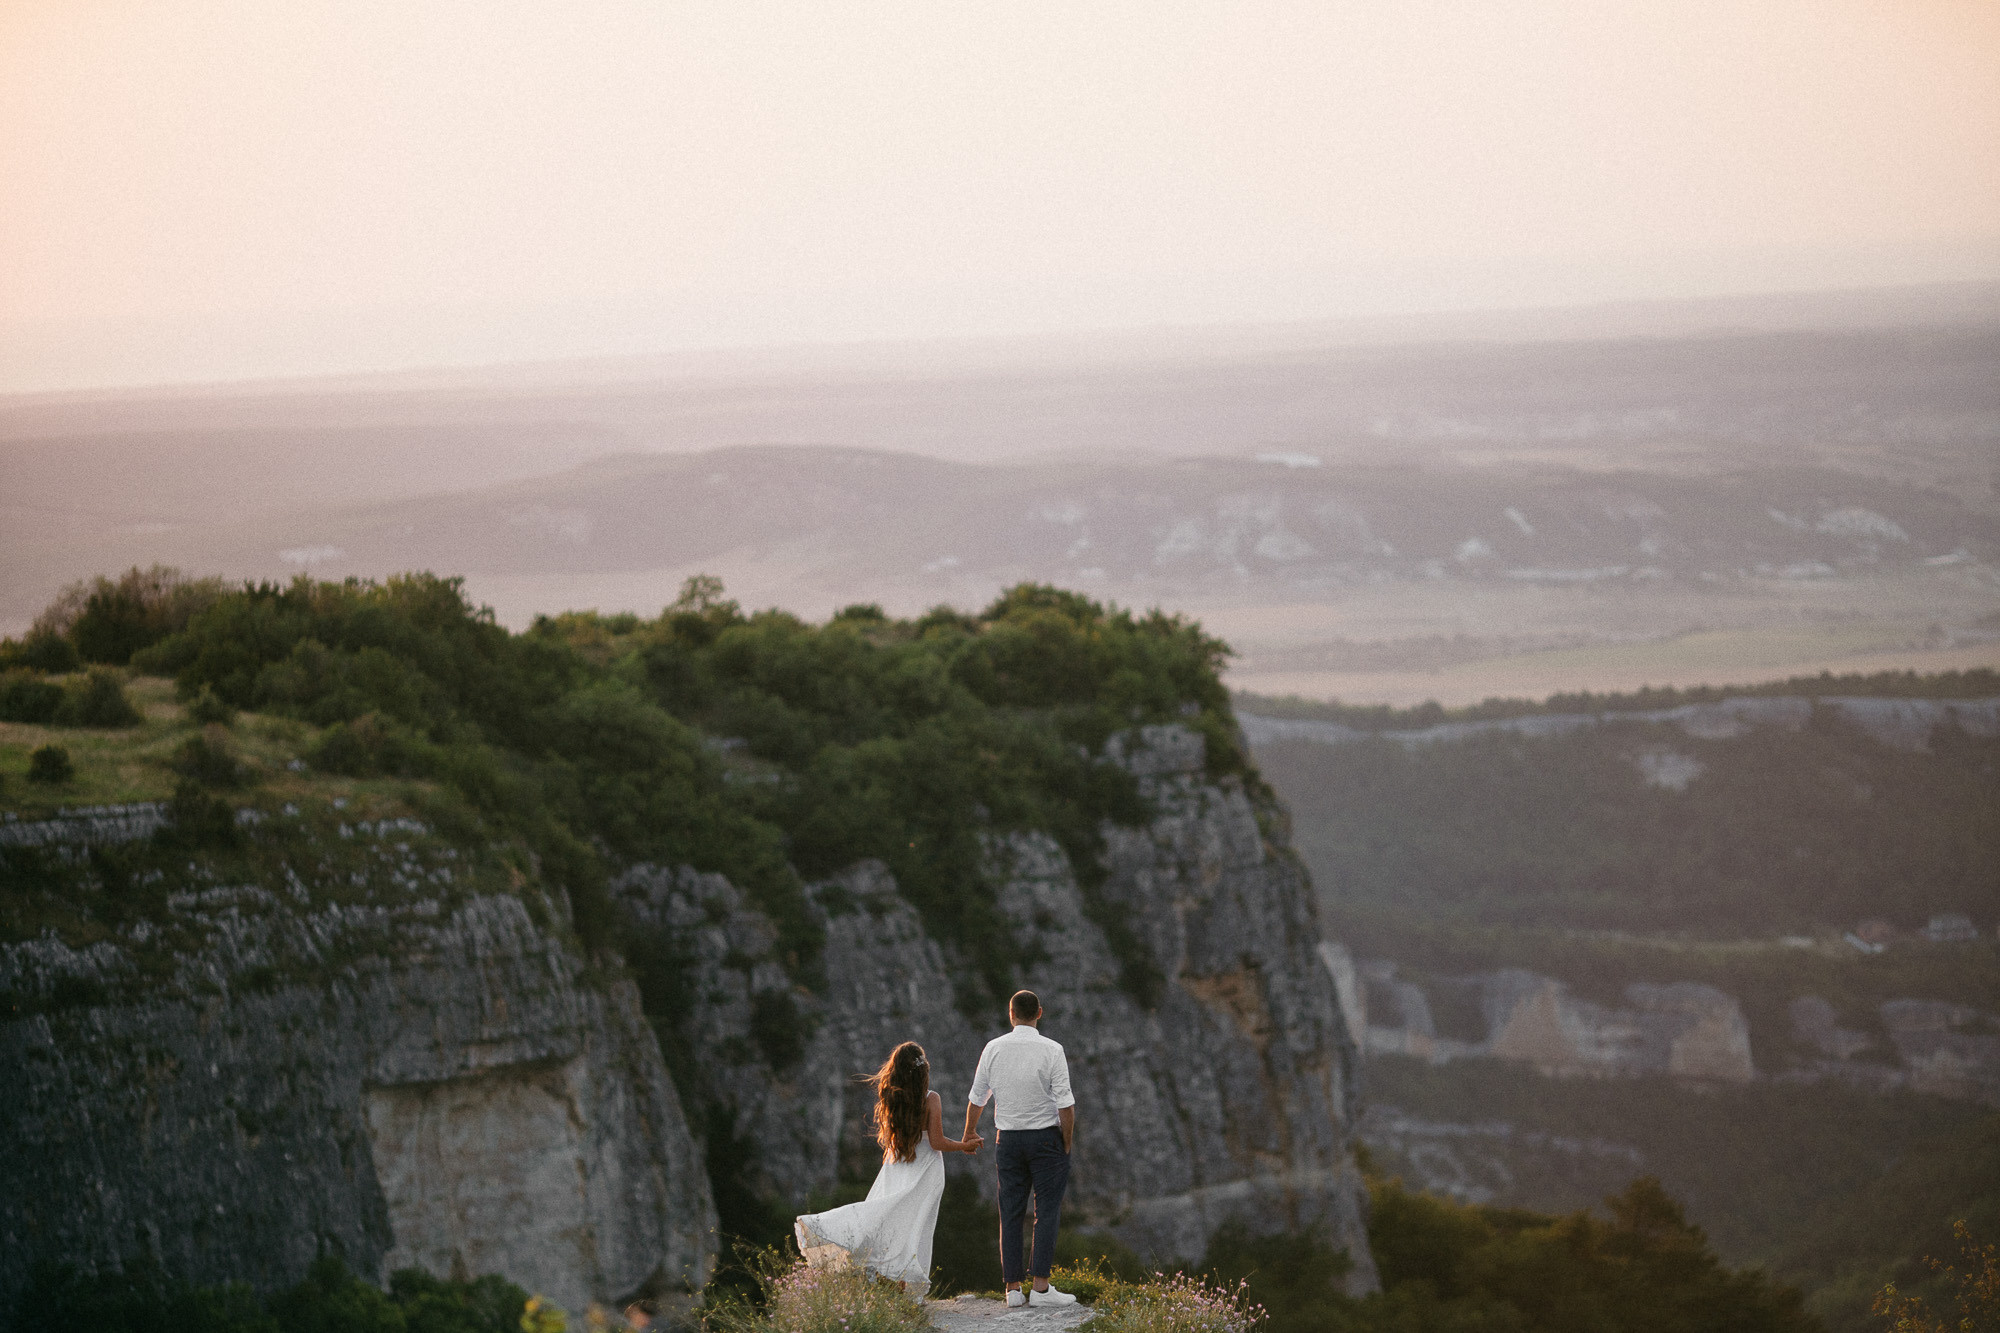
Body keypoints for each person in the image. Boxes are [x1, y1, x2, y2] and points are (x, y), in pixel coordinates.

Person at [793, 1041, 982, 1295]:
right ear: (923, 1069)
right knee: (916, 1225)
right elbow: (936, 1141)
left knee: (886, 1218)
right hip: (925, 1168)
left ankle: (884, 1279)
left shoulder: (890, 1095)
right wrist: (965, 1145)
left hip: (897, 1163)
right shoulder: (931, 1099)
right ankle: (906, 1286)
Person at [962, 989, 1078, 1308]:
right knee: (1047, 1211)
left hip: (1008, 1140)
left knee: (1010, 1212)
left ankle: (1013, 1290)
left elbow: (977, 1098)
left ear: (1010, 1013)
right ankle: (1041, 1289)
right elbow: (1065, 1105)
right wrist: (1066, 1142)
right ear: (1039, 1012)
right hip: (1045, 1139)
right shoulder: (1052, 1050)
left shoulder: (993, 1048)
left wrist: (969, 1133)